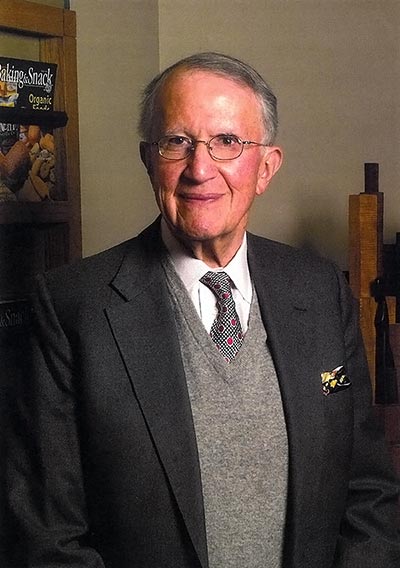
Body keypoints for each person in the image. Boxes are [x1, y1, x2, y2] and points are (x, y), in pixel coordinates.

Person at [5, 52, 400, 568]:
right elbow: (47, 537)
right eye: (177, 142)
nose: (199, 169)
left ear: (266, 167)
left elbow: (368, 492)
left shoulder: (322, 292)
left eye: (228, 142)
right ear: (149, 158)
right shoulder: (72, 307)